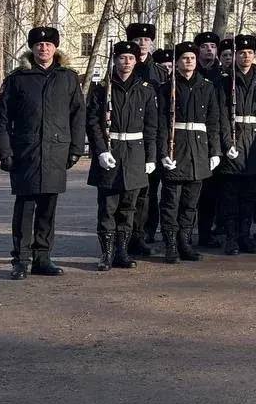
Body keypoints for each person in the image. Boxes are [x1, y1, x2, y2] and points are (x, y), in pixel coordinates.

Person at [0, 26, 85, 280]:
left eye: (48, 44)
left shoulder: (67, 77)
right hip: (25, 152)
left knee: (48, 206)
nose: (43, 48)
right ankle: (21, 260)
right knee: (25, 207)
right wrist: (5, 152)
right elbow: (1, 119)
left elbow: (78, 115)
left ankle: (43, 257)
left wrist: (76, 148)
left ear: (55, 48)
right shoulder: (17, 78)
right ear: (31, 48)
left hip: (56, 151)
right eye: (39, 44)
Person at [85, 40, 158, 272]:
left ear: (137, 62)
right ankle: (106, 254)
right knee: (107, 207)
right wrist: (101, 151)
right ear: (115, 60)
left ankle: (122, 252)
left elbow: (151, 127)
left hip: (135, 153)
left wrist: (151, 157)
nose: (126, 63)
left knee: (129, 208)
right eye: (122, 58)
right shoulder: (101, 89)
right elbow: (93, 123)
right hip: (111, 151)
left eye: (130, 59)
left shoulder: (146, 89)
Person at [157, 41, 222, 263]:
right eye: (184, 58)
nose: (189, 61)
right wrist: (164, 151)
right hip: (177, 149)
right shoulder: (167, 88)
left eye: (192, 58)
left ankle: (185, 242)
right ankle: (171, 245)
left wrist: (215, 152)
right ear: (176, 62)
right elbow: (161, 122)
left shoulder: (207, 86)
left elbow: (213, 121)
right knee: (170, 203)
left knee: (190, 203)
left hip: (199, 151)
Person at [217, 35, 256, 255]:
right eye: (241, 53)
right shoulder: (225, 80)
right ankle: (231, 238)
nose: (245, 56)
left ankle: (244, 236)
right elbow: (220, 114)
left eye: (249, 52)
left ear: (255, 54)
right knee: (231, 194)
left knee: (250, 194)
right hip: (235, 137)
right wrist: (227, 142)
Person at [125, 22, 162, 258]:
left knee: (149, 192)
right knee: (129, 193)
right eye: (138, 40)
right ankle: (126, 235)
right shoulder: (124, 65)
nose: (142, 44)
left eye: (146, 40)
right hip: (127, 139)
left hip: (152, 137)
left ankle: (144, 231)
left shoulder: (159, 72)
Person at [191, 31, 223, 248]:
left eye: (213, 46)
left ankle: (206, 232)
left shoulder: (223, 75)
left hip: (215, 137)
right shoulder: (192, 73)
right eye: (204, 46)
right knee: (190, 191)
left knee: (212, 192)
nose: (209, 49)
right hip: (192, 138)